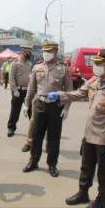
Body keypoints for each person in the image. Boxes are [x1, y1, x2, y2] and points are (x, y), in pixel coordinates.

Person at [43, 49, 105, 208]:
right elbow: (77, 93)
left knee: (104, 172)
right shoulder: (95, 81)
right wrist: (59, 95)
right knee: (86, 167)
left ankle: (101, 199)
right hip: (89, 135)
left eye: (98, 63)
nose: (94, 66)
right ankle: (83, 193)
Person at [22, 39, 73, 178]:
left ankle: (52, 164)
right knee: (36, 134)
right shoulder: (37, 67)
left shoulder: (63, 68)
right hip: (40, 104)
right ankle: (33, 161)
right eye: (44, 51)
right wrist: (26, 104)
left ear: (55, 52)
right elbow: (31, 88)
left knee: (54, 137)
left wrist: (67, 107)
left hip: (56, 106)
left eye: (49, 51)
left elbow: (69, 89)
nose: (46, 53)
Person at [7, 46, 32, 137]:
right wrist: (14, 90)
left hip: (28, 91)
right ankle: (11, 128)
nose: (29, 55)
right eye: (27, 53)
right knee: (15, 111)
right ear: (22, 52)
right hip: (18, 90)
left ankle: (34, 128)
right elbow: (11, 78)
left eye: (30, 53)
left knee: (31, 111)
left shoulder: (29, 64)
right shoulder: (15, 63)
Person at [21, 56, 44, 152]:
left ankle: (47, 143)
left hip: (51, 100)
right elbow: (31, 88)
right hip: (36, 97)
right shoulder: (34, 70)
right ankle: (29, 142)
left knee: (48, 123)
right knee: (33, 121)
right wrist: (26, 103)